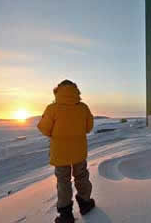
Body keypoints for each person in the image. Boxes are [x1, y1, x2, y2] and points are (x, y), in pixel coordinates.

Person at [37, 79, 95, 223]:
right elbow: (89, 128)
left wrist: (56, 135)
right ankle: (85, 203)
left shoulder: (52, 108)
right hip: (79, 151)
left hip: (60, 153)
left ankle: (66, 215)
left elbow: (44, 128)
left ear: (58, 90)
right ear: (75, 90)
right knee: (82, 176)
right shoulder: (83, 108)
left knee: (63, 182)